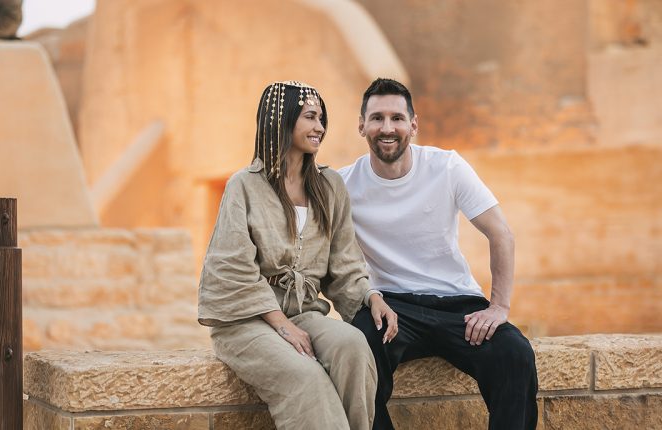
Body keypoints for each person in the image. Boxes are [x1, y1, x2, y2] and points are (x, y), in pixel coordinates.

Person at [197, 80, 398, 430]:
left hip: (304, 314)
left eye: (321, 118)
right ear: (282, 120)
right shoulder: (244, 185)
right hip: (247, 322)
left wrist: (371, 296)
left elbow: (345, 263)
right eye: (310, 117)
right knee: (307, 378)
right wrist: (282, 325)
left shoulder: (329, 186)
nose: (319, 127)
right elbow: (232, 268)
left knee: (353, 346)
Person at [339, 78, 538, 430]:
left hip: (457, 304)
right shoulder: (342, 185)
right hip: (390, 307)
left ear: (413, 125)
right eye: (377, 118)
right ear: (361, 126)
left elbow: (501, 234)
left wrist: (498, 307)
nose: (387, 128)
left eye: (397, 118)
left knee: (515, 353)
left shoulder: (447, 167)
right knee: (359, 347)